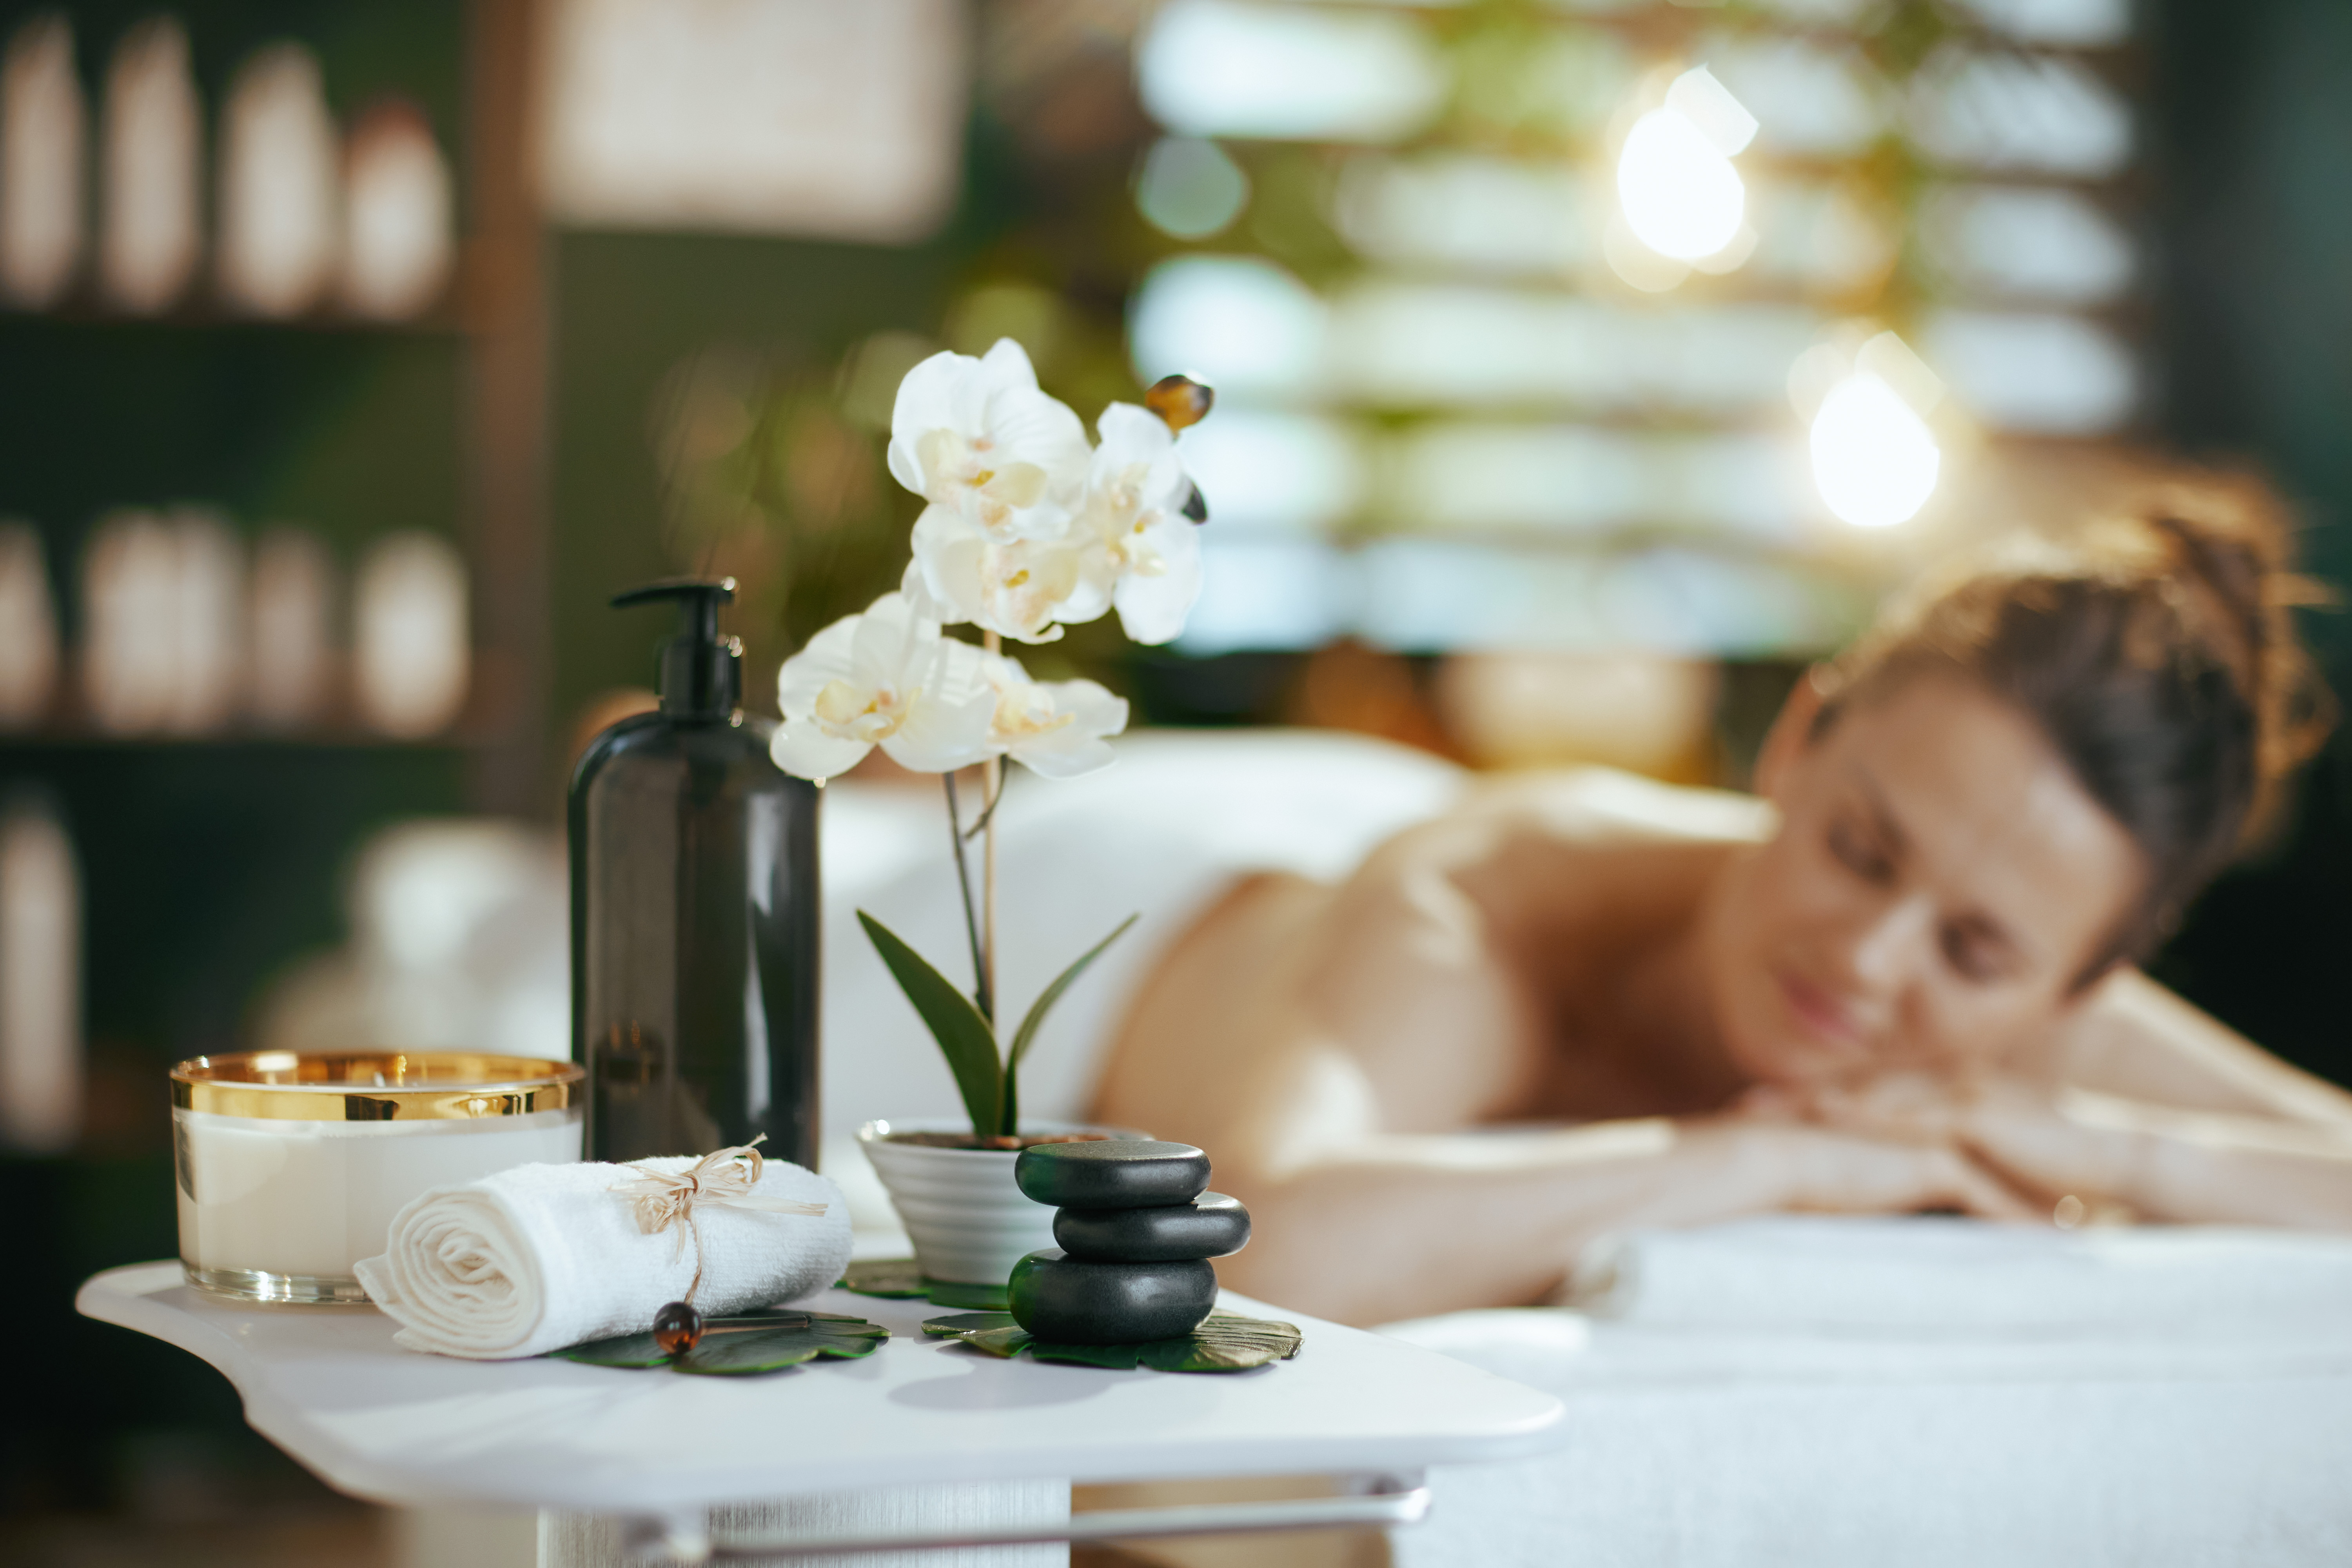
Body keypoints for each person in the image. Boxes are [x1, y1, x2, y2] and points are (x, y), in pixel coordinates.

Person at [1092, 479, 2352, 1326]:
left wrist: (2113, 1151)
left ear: (2082, 985)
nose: (1870, 959)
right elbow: (1251, 1252)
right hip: (1138, 878)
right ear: (1797, 739)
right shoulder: (1484, 908)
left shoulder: (2031, 1021)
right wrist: (1773, 1159)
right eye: (1860, 850)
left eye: (1974, 953)